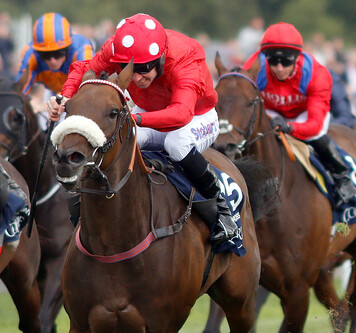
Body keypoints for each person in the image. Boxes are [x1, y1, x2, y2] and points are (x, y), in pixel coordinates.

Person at [48, 13, 237, 244]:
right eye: (130, 69)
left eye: (144, 68)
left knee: (175, 144)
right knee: (119, 139)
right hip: (146, 111)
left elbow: (181, 113)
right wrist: (64, 97)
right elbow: (84, 67)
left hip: (196, 116)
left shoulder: (185, 58)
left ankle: (221, 209)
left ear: (161, 58)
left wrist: (135, 119)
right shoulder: (117, 48)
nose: (137, 78)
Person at [242, 22, 356, 203]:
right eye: (273, 60)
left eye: (286, 61)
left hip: (303, 115)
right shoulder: (254, 66)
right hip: (270, 112)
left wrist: (289, 127)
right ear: (265, 57)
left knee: (316, 135)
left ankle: (341, 175)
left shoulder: (316, 74)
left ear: (297, 57)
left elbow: (315, 124)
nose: (279, 68)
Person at [15, 13, 95, 97]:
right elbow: (20, 92)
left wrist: (59, 99)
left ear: (68, 48)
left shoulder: (82, 49)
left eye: (58, 53)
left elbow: (86, 90)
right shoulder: (30, 53)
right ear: (37, 52)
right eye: (45, 54)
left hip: (77, 94)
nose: (52, 61)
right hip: (51, 93)